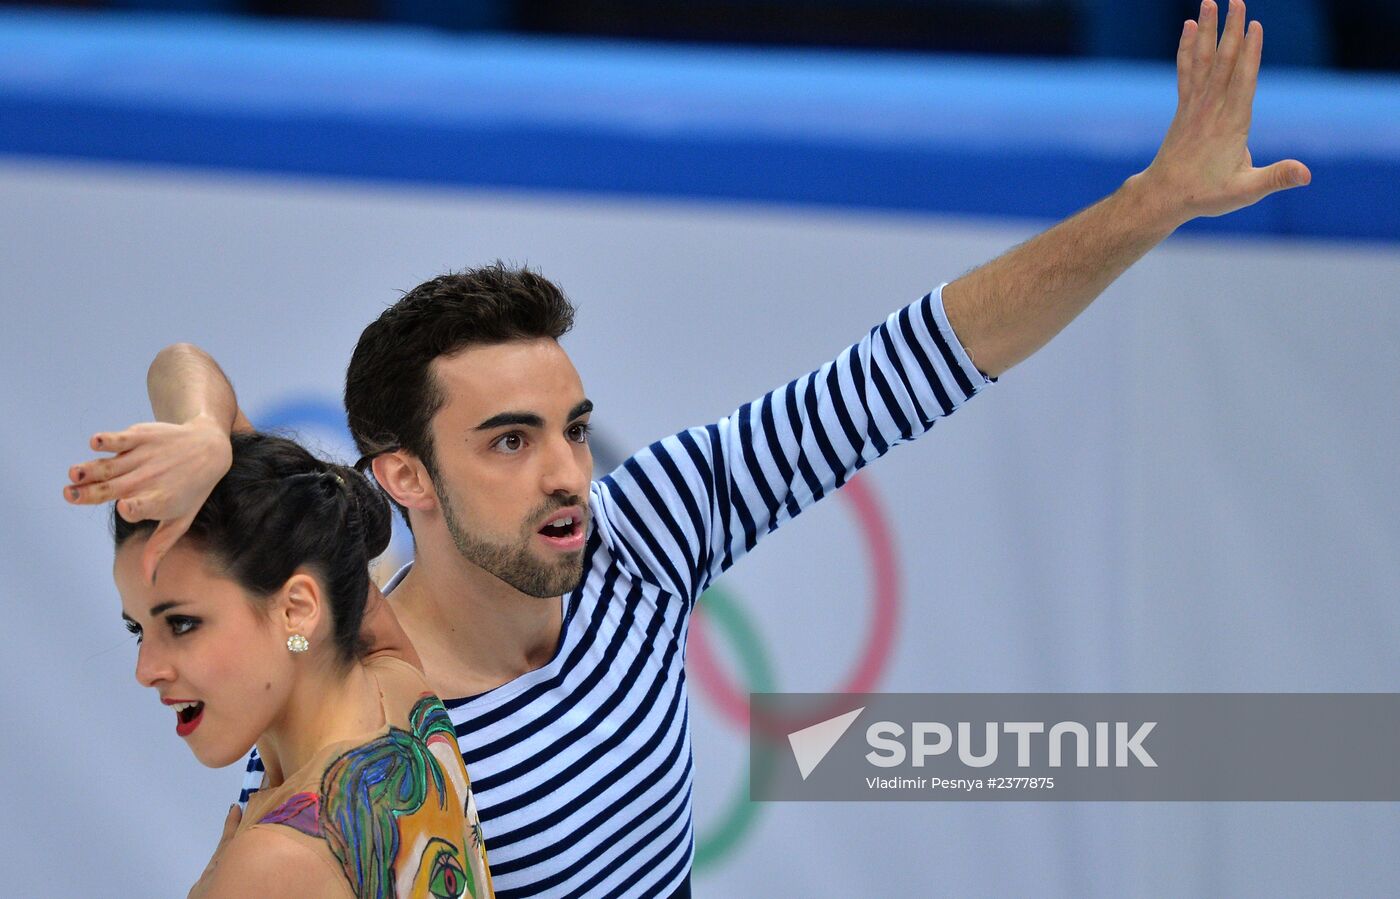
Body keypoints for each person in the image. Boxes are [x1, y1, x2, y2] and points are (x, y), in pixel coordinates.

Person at [67, 2, 1308, 895]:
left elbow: (921, 359)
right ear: (406, 478)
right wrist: (200, 430)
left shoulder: (639, 537)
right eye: (507, 440)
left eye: (570, 428)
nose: (566, 471)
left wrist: (1151, 205)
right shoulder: (366, 715)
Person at [111, 432, 494, 898]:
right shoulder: (396, 681)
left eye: (183, 623)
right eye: (138, 630)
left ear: (297, 608)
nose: (145, 669)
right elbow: (317, 545)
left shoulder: (275, 862)